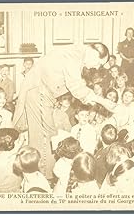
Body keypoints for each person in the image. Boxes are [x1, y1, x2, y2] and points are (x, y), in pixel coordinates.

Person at [13, 43, 110, 179]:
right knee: (45, 137)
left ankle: (41, 176)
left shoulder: (78, 54)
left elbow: (76, 84)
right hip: (38, 93)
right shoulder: (74, 55)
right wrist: (103, 101)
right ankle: (43, 179)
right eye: (99, 63)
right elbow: (75, 86)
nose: (97, 67)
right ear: (94, 53)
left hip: (43, 94)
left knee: (46, 135)